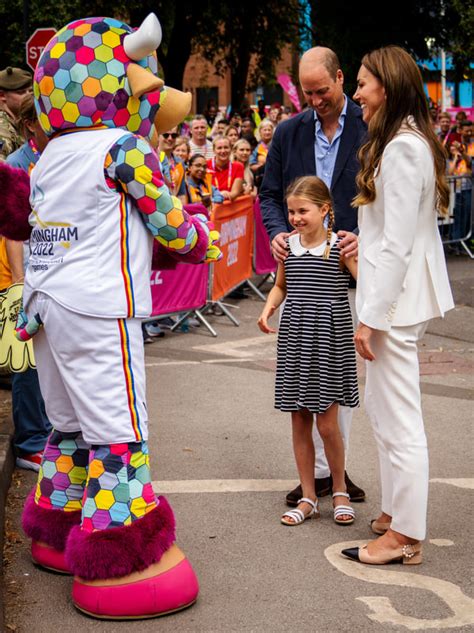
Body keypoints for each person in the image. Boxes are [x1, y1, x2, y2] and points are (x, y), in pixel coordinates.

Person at [341, 46, 454, 566]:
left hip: (395, 304)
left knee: (398, 415)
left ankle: (406, 532)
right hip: (394, 298)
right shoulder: (403, 141)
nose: (356, 93)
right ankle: (393, 512)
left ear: (385, 85)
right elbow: (394, 232)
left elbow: (401, 244)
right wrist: (364, 245)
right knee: (385, 409)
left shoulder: (404, 147)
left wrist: (370, 315)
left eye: (362, 83)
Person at [259, 46, 367, 506]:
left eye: (322, 91)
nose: (315, 100)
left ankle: (336, 476)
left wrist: (367, 240)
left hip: (354, 263)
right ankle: (320, 478)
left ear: (340, 79)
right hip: (302, 266)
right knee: (305, 385)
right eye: (307, 93)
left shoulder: (369, 124)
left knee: (341, 376)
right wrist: (279, 233)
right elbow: (267, 194)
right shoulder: (288, 132)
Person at [258, 176, 358, 526]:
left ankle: (341, 489)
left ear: (325, 209)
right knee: (299, 420)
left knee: (328, 424)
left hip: (328, 338)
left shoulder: (339, 246)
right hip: (295, 336)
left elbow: (364, 282)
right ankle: (308, 496)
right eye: (291, 211)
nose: (296, 217)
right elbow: (281, 285)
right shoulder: (288, 246)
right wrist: (269, 308)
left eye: (303, 211)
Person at [5, 92, 51, 471]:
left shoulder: (56, 156)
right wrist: (21, 283)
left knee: (49, 358)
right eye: (46, 116)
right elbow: (12, 231)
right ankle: (29, 442)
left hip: (55, 275)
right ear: (30, 124)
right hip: (29, 277)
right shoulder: (18, 164)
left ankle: (47, 433)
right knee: (27, 362)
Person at [0, 66, 32, 160]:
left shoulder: (17, 121)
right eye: (21, 92)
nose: (28, 96)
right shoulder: (3, 128)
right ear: (2, 96)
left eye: (30, 91)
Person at [157, 126, 188, 204]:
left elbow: (182, 194)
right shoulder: (153, 158)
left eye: (174, 135)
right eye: (166, 135)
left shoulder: (180, 162)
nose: (170, 138)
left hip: (175, 208)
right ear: (158, 136)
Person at [207, 136, 244, 201]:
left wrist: (223, 196)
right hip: (211, 206)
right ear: (213, 150)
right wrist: (219, 196)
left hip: (230, 207)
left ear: (231, 149)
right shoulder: (206, 165)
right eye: (219, 148)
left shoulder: (238, 166)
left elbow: (235, 193)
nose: (223, 151)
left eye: (226, 147)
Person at [250, 119, 274, 189]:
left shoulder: (276, 146)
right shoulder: (256, 147)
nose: (267, 132)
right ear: (260, 132)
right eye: (265, 130)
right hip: (262, 178)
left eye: (269, 130)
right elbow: (251, 165)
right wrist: (261, 167)